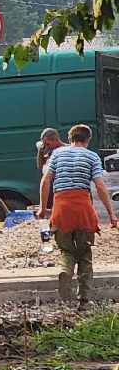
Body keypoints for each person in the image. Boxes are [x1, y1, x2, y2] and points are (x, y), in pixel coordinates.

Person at [36, 122, 116, 307]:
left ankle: (66, 271)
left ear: (70, 138)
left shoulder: (57, 154)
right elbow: (100, 186)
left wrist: (42, 207)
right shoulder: (92, 156)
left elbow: (45, 181)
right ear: (88, 139)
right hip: (82, 210)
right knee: (85, 254)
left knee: (67, 251)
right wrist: (111, 215)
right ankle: (84, 299)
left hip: (61, 209)